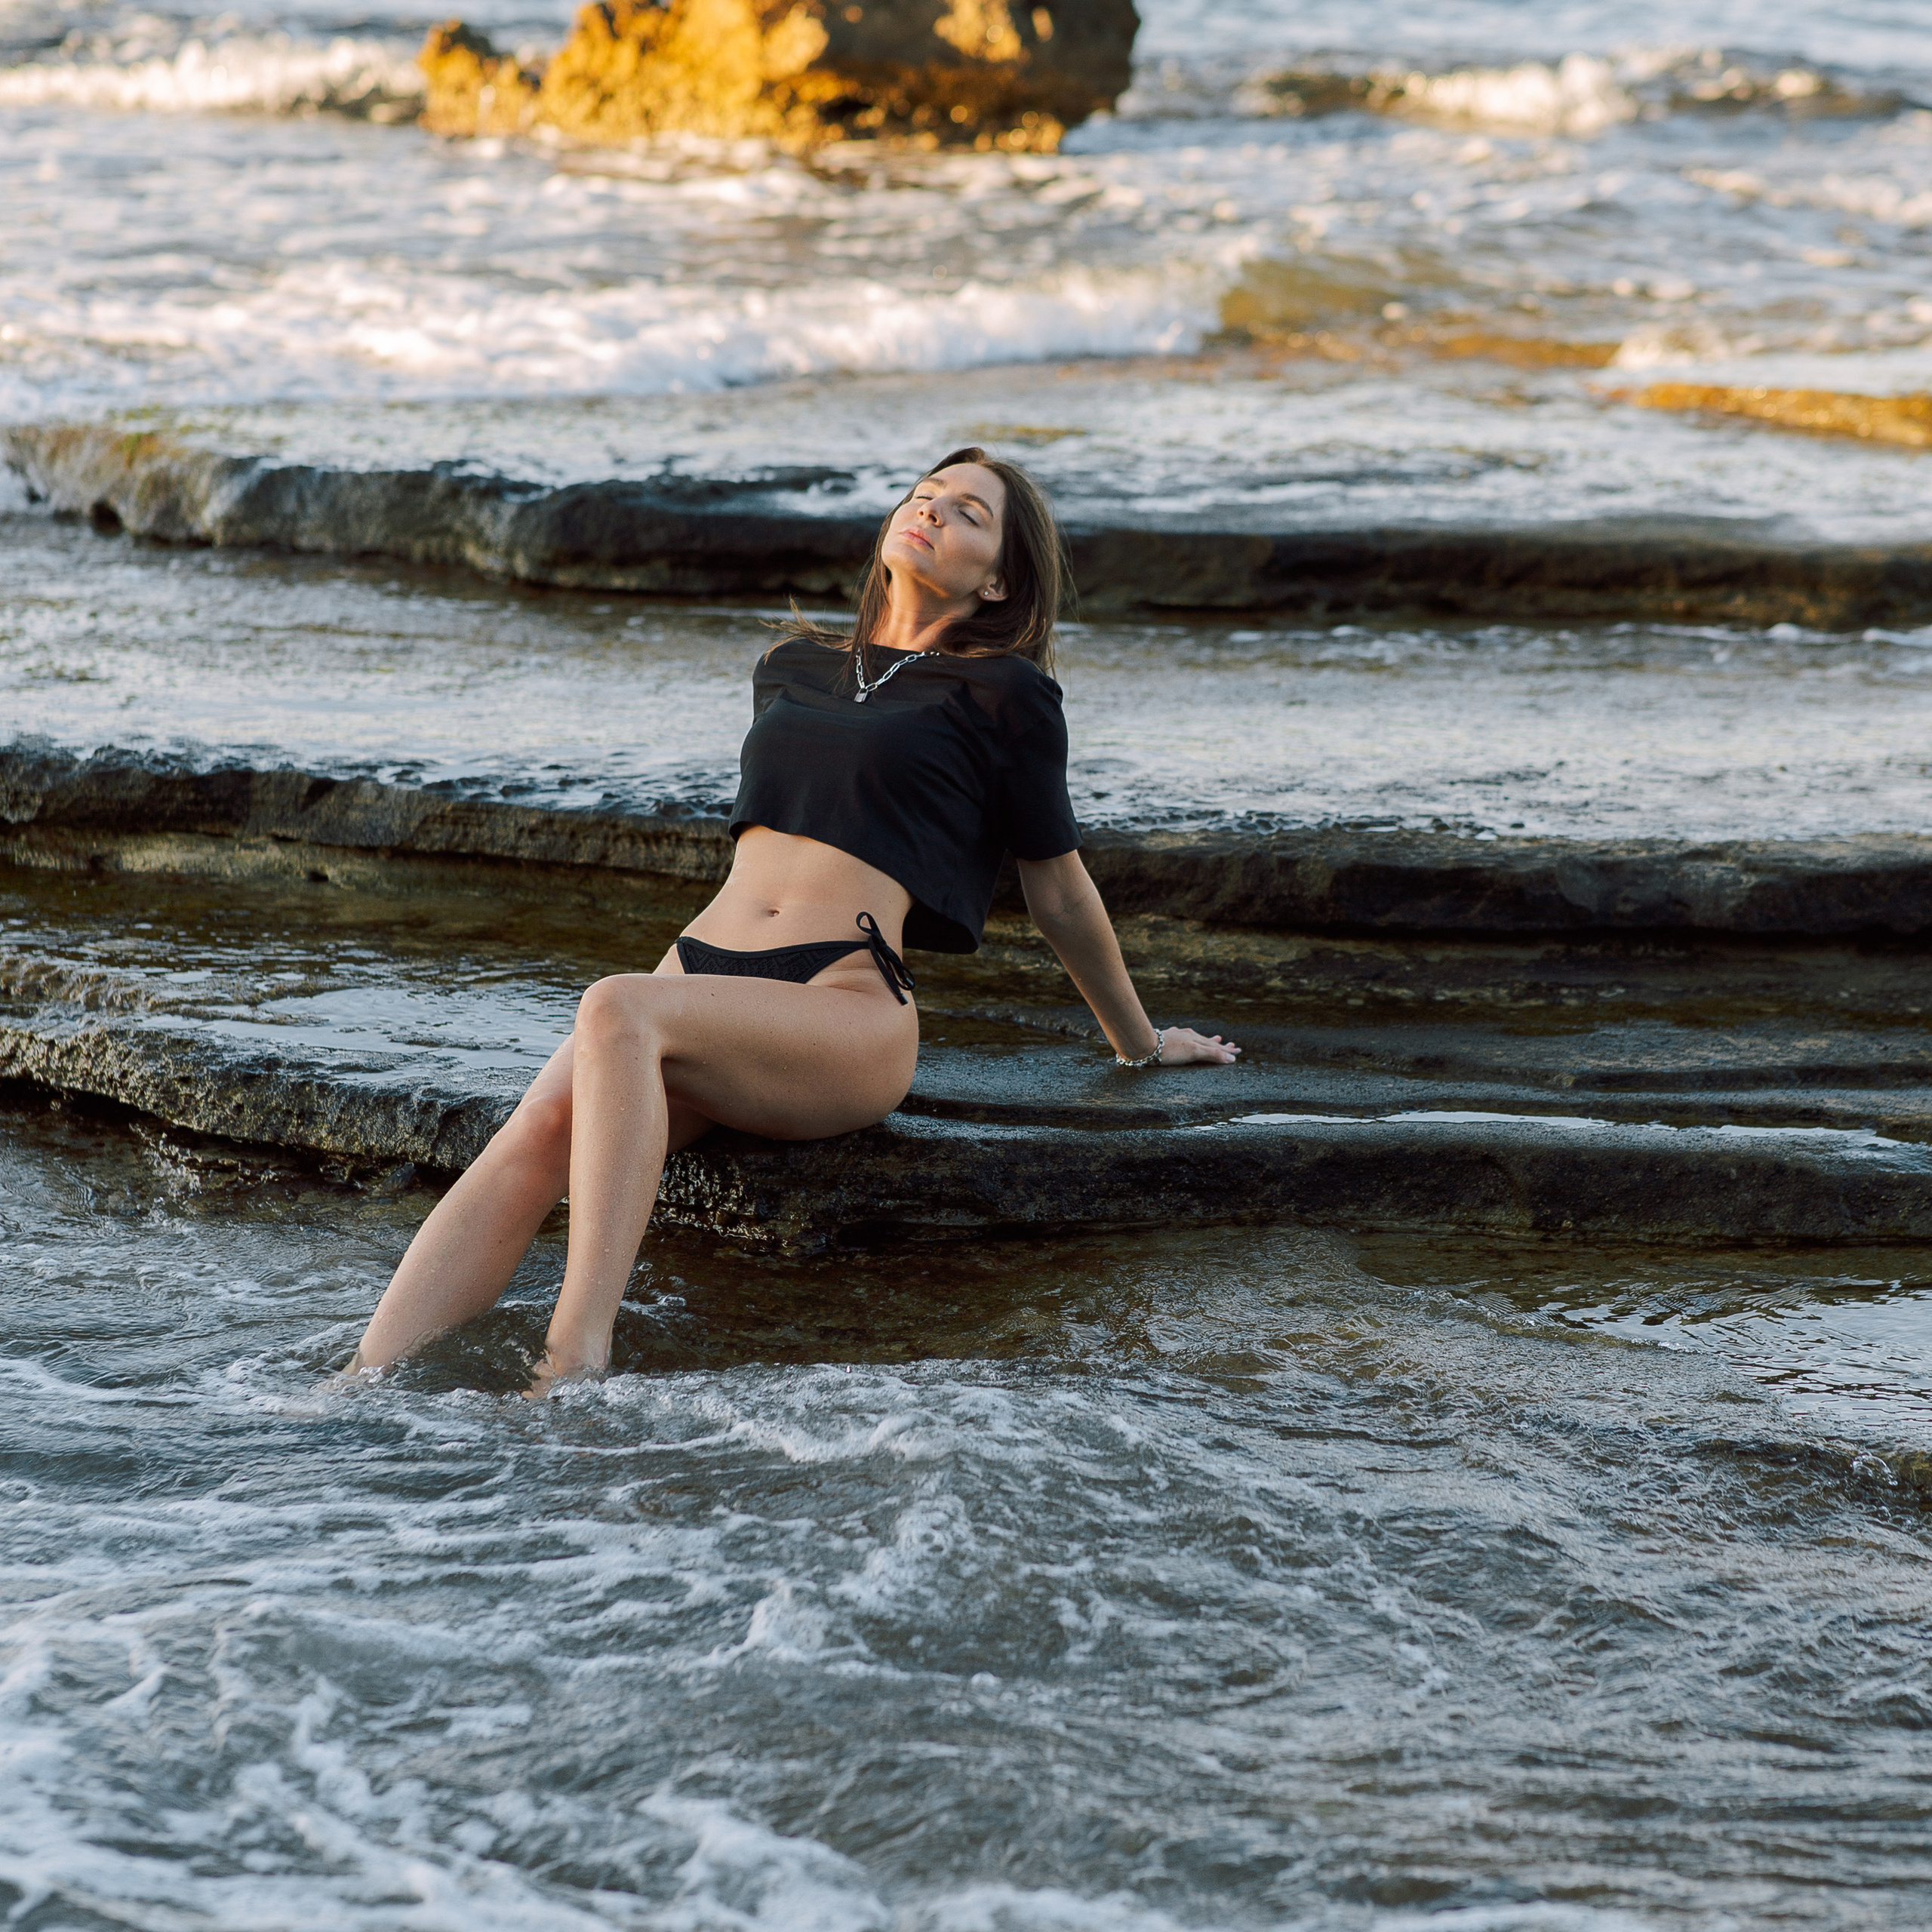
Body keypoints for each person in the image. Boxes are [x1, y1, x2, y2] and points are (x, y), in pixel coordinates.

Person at [349, 447, 1240, 1392]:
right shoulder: (791, 664)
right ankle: (354, 1392)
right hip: (701, 972)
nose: (932, 511)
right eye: (924, 494)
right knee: (535, 1133)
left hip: (843, 1000)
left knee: (614, 1007)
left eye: (968, 513)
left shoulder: (1007, 695)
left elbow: (1058, 889)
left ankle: (574, 1358)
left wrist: (1139, 1046)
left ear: (1001, 578)